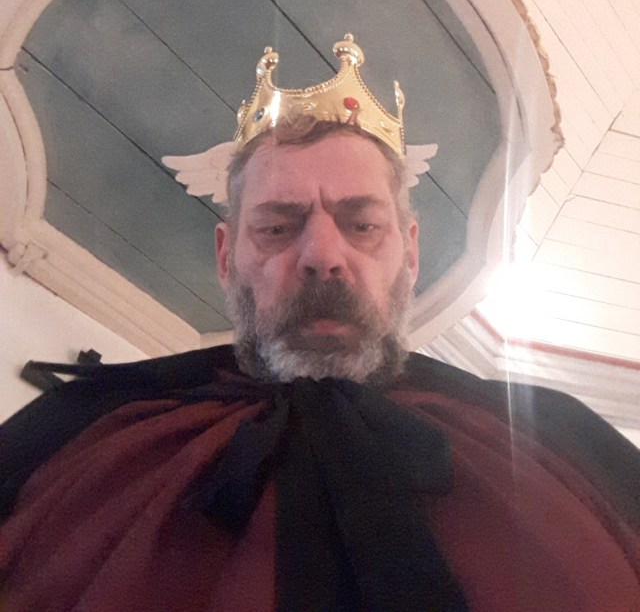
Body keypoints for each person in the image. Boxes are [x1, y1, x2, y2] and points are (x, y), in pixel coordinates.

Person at [1, 39, 639, 612]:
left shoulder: (566, 454)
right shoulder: (75, 445)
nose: (323, 255)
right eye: (278, 227)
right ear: (226, 257)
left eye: (363, 225)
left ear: (410, 253)